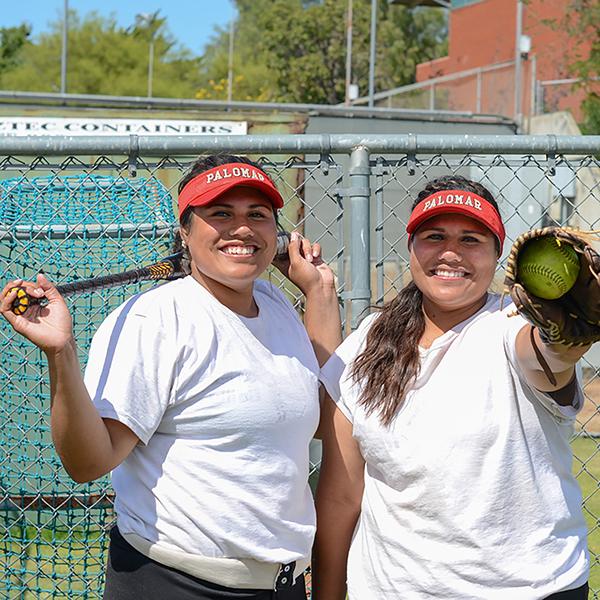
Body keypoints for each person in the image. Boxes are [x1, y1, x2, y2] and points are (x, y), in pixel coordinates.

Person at [1, 154, 341, 600]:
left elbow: (318, 415)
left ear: (276, 232)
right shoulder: (157, 319)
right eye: (220, 213)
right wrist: (61, 353)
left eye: (257, 215)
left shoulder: (275, 305)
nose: (241, 228)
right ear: (185, 231)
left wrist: (318, 291)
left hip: (281, 586)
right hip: (176, 583)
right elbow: (88, 463)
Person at [313, 175, 591, 600]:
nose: (450, 253)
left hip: (529, 590)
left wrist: (567, 338)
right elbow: (339, 497)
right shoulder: (369, 342)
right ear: (411, 247)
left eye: (471, 239)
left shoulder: (514, 326)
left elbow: (547, 356)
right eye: (434, 236)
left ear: (499, 253)